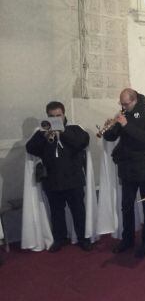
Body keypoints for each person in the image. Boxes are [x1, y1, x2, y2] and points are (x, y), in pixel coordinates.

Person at [25, 101, 92, 252]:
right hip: (52, 180)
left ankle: (83, 238)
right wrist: (44, 135)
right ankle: (59, 238)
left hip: (73, 179)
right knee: (56, 212)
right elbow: (30, 148)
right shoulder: (42, 131)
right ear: (47, 116)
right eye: (52, 116)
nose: (55, 119)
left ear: (64, 115)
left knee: (78, 211)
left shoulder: (74, 129)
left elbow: (82, 142)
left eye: (58, 116)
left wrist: (62, 131)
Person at [103, 88, 145, 258]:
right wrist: (110, 128)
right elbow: (111, 138)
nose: (123, 107)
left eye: (126, 104)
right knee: (126, 205)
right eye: (121, 104)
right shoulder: (123, 115)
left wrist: (126, 125)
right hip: (127, 167)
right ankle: (127, 239)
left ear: (134, 100)